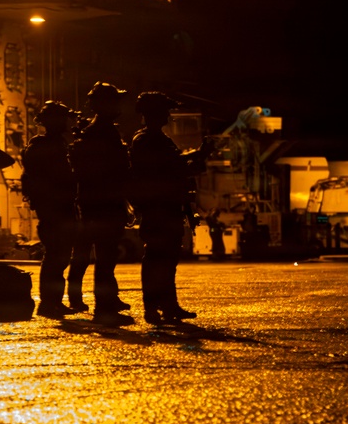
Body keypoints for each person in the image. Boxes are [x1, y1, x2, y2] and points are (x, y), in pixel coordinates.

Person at [129, 91, 210, 324]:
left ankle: (168, 306)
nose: (167, 114)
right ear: (153, 113)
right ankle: (153, 308)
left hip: (168, 205)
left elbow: (173, 166)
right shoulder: (145, 140)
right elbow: (166, 169)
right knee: (157, 258)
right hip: (158, 207)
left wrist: (197, 156)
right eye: (164, 110)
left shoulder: (158, 139)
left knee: (167, 260)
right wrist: (194, 159)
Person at [68, 82, 134, 326]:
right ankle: (104, 309)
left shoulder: (103, 130)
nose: (118, 105)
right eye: (114, 100)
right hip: (102, 204)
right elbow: (109, 171)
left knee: (107, 258)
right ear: (103, 104)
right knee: (105, 258)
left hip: (102, 202)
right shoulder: (100, 132)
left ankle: (108, 303)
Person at [21, 101, 82, 318]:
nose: (69, 121)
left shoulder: (58, 143)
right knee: (56, 256)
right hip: (53, 208)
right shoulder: (43, 145)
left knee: (61, 257)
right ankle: (48, 303)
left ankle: (54, 301)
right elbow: (55, 176)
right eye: (65, 117)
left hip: (61, 206)